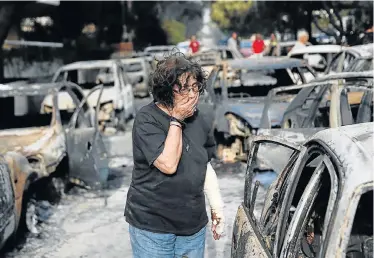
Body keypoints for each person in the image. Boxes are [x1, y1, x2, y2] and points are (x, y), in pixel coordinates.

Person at [125, 52, 225, 258]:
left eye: (195, 87)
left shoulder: (201, 118)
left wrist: (216, 206)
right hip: (152, 227)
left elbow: (203, 165)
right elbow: (168, 164)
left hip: (192, 227)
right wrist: (177, 119)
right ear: (166, 90)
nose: (191, 95)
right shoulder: (147, 119)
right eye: (183, 88)